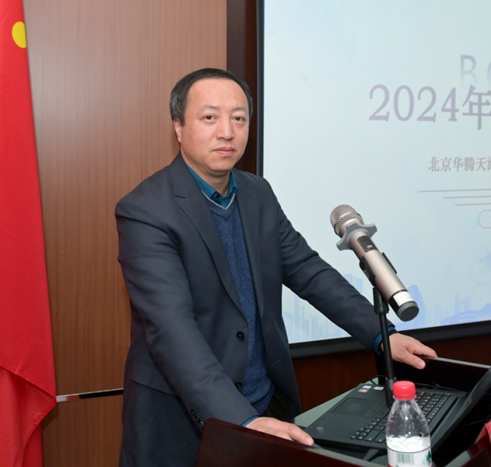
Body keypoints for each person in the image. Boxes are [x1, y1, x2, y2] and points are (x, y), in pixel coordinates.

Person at [115, 68, 437, 466]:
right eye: (210, 117)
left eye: (239, 118)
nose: (227, 132)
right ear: (178, 127)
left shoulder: (257, 193)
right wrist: (241, 419)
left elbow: (307, 270)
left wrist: (380, 334)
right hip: (183, 418)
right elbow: (172, 331)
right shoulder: (145, 211)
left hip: (265, 403)